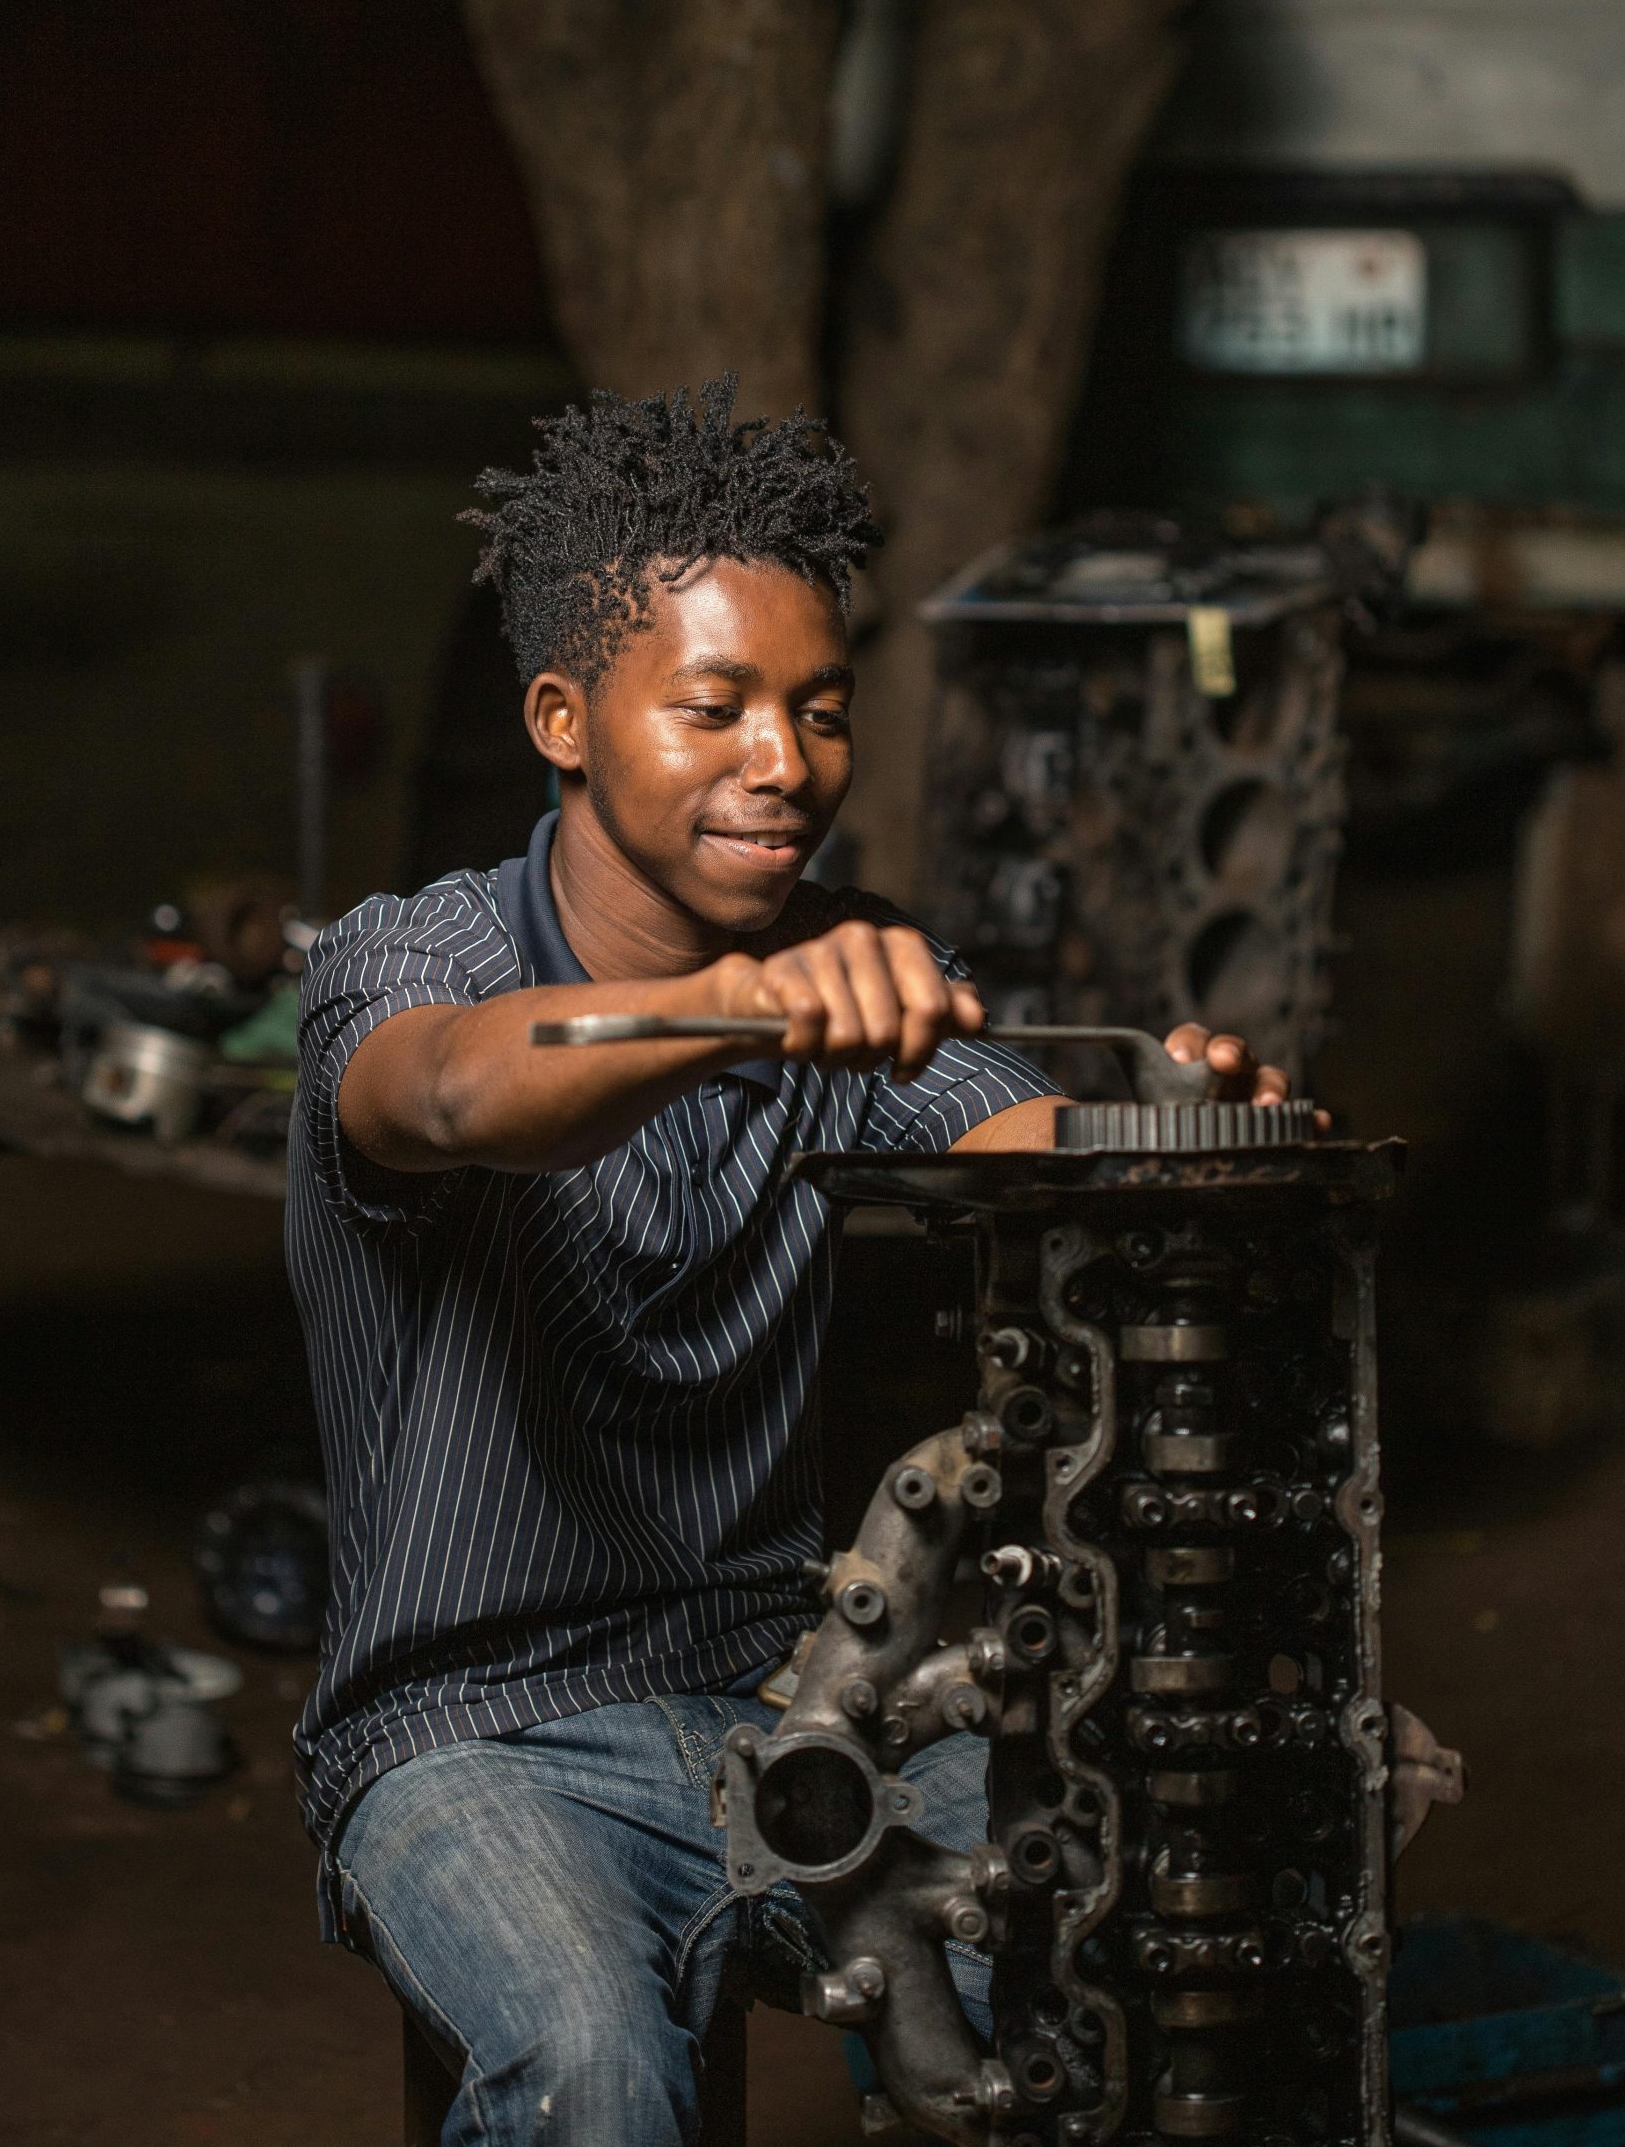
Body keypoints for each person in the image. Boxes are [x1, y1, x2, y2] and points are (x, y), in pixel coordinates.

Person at [287, 377, 1290, 2146]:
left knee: (1118, 1935)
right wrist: (731, 1011)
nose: (786, 763)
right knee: (593, 2068)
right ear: (563, 718)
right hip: (470, 1733)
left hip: (786, 1692)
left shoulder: (852, 964)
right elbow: (457, 1093)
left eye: (819, 713)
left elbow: (1029, 1148)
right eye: (716, 706)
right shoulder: (411, 957)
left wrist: (1184, 1134)